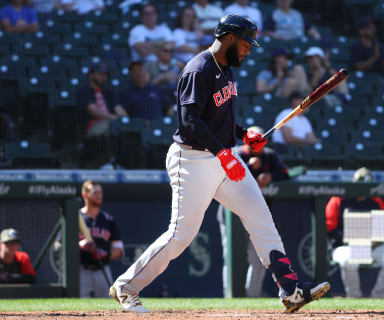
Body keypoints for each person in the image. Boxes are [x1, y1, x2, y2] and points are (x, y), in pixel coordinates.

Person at [109, 14, 329, 313]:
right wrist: (225, 154)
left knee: (261, 218)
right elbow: (189, 120)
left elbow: (222, 120)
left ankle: (290, 290)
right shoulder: (199, 68)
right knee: (180, 236)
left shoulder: (226, 70)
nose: (248, 50)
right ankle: (126, 286)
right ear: (228, 38)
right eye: (244, 43)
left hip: (222, 156)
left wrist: (244, 133)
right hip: (192, 159)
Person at [217, 126, 290, 297]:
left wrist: (271, 176)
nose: (258, 147)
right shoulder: (235, 154)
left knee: (258, 260)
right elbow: (222, 178)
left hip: (255, 213)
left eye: (260, 142)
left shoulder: (269, 155)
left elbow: (287, 173)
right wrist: (247, 168)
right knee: (231, 257)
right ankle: (230, 296)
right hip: (231, 213)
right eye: (254, 142)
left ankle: (252, 295)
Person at [325, 168, 384, 298]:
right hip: (346, 246)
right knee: (347, 260)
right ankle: (354, 296)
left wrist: (376, 237)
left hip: (371, 246)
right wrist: (352, 237)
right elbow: (329, 228)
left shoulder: (376, 200)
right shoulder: (339, 198)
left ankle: (379, 296)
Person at [78, 180, 124, 298]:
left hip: (102, 270)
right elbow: (59, 245)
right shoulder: (75, 217)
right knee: (79, 307)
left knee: (108, 307)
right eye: (95, 193)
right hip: (80, 270)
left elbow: (119, 250)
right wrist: (79, 245)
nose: (99, 196)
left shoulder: (108, 220)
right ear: (85, 195)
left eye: (100, 193)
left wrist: (106, 254)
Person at [78, 63, 127, 168]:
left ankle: (120, 163)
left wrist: (127, 119)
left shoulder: (108, 92)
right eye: (100, 74)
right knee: (113, 126)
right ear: (91, 75)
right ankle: (110, 162)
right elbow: (93, 111)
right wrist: (115, 119)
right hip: (92, 126)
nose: (103, 77)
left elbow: (118, 108)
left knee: (125, 128)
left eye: (105, 74)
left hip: (111, 123)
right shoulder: (84, 90)